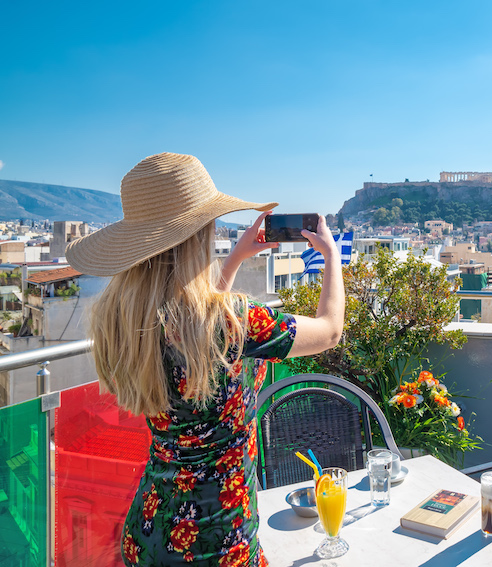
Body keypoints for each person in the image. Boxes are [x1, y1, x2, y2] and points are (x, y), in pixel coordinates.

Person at [65, 152, 344, 566]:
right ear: (199, 235)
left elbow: (197, 324)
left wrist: (234, 260)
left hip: (148, 533)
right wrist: (332, 258)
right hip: (219, 540)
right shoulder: (232, 320)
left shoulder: (122, 319)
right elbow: (329, 329)